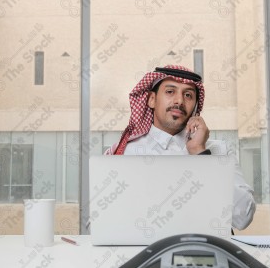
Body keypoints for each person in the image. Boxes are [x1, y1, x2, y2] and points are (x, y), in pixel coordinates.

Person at [105, 64, 256, 230]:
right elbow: (100, 224)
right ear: (151, 99)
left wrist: (200, 154)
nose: (179, 101)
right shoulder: (123, 153)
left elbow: (243, 218)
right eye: (170, 92)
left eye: (188, 95)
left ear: (195, 107)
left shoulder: (219, 152)